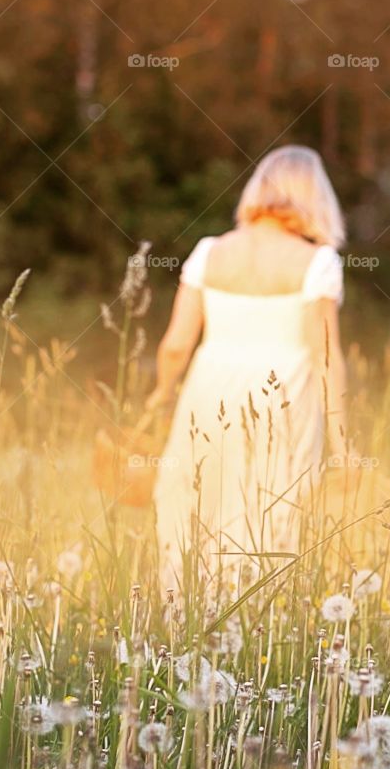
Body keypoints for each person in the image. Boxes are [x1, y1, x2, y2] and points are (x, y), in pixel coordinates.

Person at [146, 145, 349, 590]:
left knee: (195, 507)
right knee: (269, 514)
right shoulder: (317, 262)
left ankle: (183, 613)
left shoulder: (208, 252)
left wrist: (161, 395)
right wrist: (343, 444)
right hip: (282, 401)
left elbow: (176, 345)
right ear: (315, 196)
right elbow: (326, 356)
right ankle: (256, 617)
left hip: (207, 395)